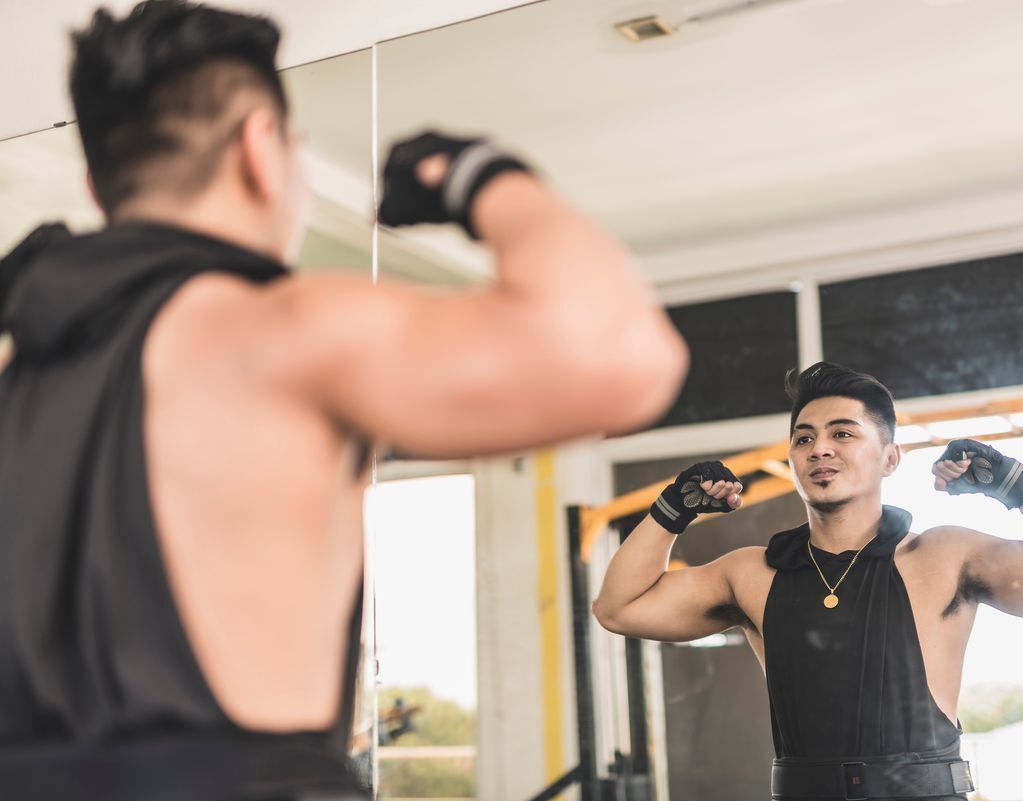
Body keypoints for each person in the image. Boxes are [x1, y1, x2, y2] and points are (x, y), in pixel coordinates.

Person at [0, 2, 687, 798]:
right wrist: (478, 174)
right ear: (261, 148)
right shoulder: (275, 327)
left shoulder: (21, 376)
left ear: (96, 184)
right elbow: (623, 357)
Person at [593, 362, 1023, 801]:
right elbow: (619, 608)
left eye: (842, 434)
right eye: (803, 439)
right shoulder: (752, 572)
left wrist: (1014, 484)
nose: (819, 449)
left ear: (890, 458)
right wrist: (672, 510)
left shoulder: (943, 555)